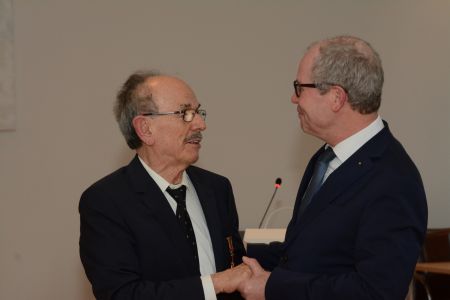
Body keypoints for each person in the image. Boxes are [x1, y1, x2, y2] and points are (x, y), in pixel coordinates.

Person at [240, 36, 428, 300]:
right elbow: (304, 253)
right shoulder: (325, 159)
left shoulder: (393, 180)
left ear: (336, 97)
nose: (294, 99)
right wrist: (231, 252)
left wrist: (273, 288)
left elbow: (377, 292)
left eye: (299, 88)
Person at [79, 71, 250, 300]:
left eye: (198, 112)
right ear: (145, 129)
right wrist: (214, 284)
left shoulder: (217, 189)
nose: (201, 124)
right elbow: (122, 294)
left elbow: (237, 273)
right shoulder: (106, 202)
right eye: (186, 114)